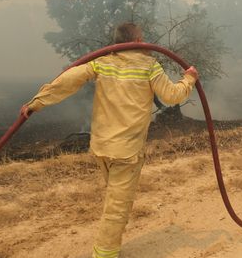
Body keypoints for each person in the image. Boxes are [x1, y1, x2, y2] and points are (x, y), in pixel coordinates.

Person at [20, 22, 198, 258]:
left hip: (102, 148)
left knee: (115, 202)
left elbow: (68, 79)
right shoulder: (148, 66)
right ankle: (104, 254)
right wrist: (189, 79)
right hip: (126, 152)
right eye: (142, 39)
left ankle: (109, 246)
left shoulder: (103, 62)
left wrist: (36, 102)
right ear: (136, 42)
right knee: (116, 209)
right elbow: (172, 96)